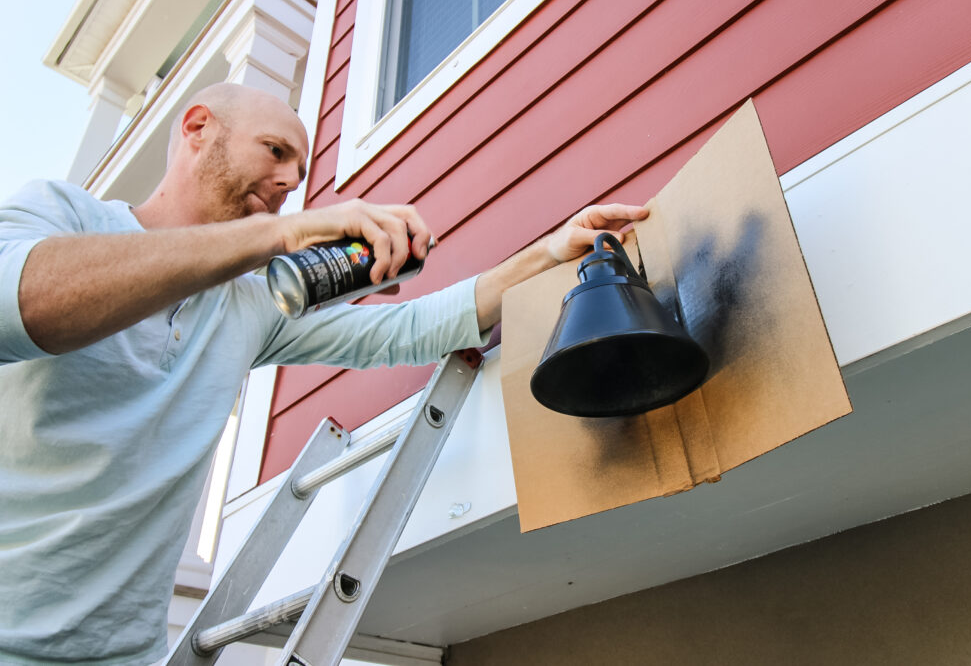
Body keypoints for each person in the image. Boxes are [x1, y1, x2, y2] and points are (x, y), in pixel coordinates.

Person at [0, 83, 647, 664]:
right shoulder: (60, 215)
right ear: (197, 128)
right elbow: (25, 306)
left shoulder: (251, 304)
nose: (289, 180)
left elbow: (406, 330)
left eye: (300, 170)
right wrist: (283, 235)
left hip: (124, 652)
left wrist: (547, 251)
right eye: (274, 150)